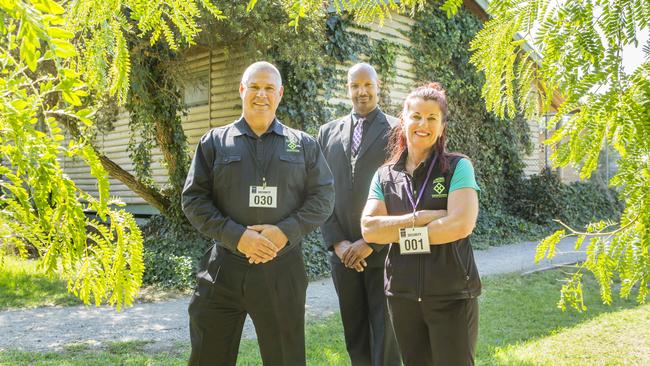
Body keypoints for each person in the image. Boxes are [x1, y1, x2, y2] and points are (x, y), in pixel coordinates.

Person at [181, 61, 335, 366]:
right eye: (254, 86)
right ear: (242, 90)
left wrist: (284, 232)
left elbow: (323, 196)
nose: (260, 94)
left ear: (280, 94)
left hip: (282, 270)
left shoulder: (302, 144)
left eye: (268, 88)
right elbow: (194, 199)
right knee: (208, 357)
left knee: (285, 359)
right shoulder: (214, 142)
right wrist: (237, 237)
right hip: (224, 267)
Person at [360, 82, 482, 365]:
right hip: (402, 297)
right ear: (403, 121)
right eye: (416, 116)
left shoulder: (458, 167)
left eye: (431, 118)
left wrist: (396, 231)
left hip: (452, 296)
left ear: (441, 127)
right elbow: (369, 229)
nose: (423, 124)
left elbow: (461, 225)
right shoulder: (384, 175)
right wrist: (422, 218)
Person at [317, 63, 401, 366]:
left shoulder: (396, 130)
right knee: (355, 334)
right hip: (343, 257)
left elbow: (402, 193)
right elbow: (320, 192)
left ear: (378, 86)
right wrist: (338, 243)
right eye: (355, 85)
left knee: (386, 334)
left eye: (367, 84)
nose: (361, 91)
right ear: (347, 88)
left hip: (383, 251)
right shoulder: (327, 133)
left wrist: (371, 242)